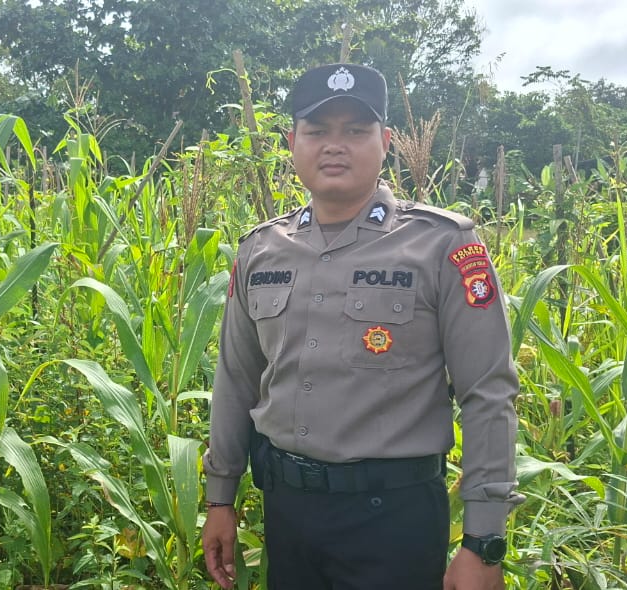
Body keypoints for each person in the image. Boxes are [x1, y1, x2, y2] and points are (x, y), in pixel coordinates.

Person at [201, 63, 523, 589]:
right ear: (292, 142)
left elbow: (488, 392)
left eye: (356, 130)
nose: (335, 145)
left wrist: (483, 542)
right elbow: (236, 380)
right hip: (289, 513)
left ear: (386, 142)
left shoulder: (443, 245)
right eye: (318, 131)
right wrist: (220, 498)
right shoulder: (260, 250)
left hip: (393, 520)